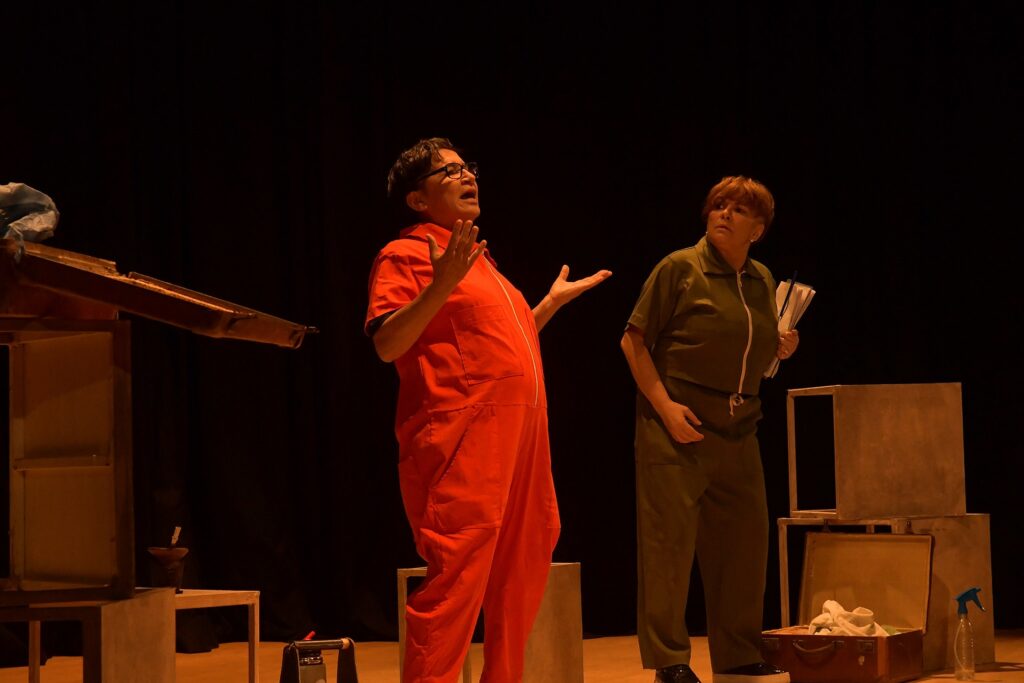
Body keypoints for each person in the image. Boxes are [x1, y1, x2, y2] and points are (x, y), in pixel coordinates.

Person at [365, 137, 611, 683]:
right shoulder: (406, 255)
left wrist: (546, 307)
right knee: (458, 574)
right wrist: (441, 284)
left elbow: (494, 349)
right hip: (465, 436)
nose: (466, 176)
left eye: (467, 167)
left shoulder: (484, 265)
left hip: (520, 439)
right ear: (418, 200)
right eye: (448, 172)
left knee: (523, 565)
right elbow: (386, 343)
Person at [620, 176, 799, 683]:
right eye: (719, 205)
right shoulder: (679, 268)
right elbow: (633, 341)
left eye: (738, 210)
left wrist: (781, 347)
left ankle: (738, 653)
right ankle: (669, 660)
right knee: (668, 546)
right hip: (677, 424)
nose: (724, 214)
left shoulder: (761, 279)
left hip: (739, 428)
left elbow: (751, 348)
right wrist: (665, 408)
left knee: (744, 545)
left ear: (757, 230)